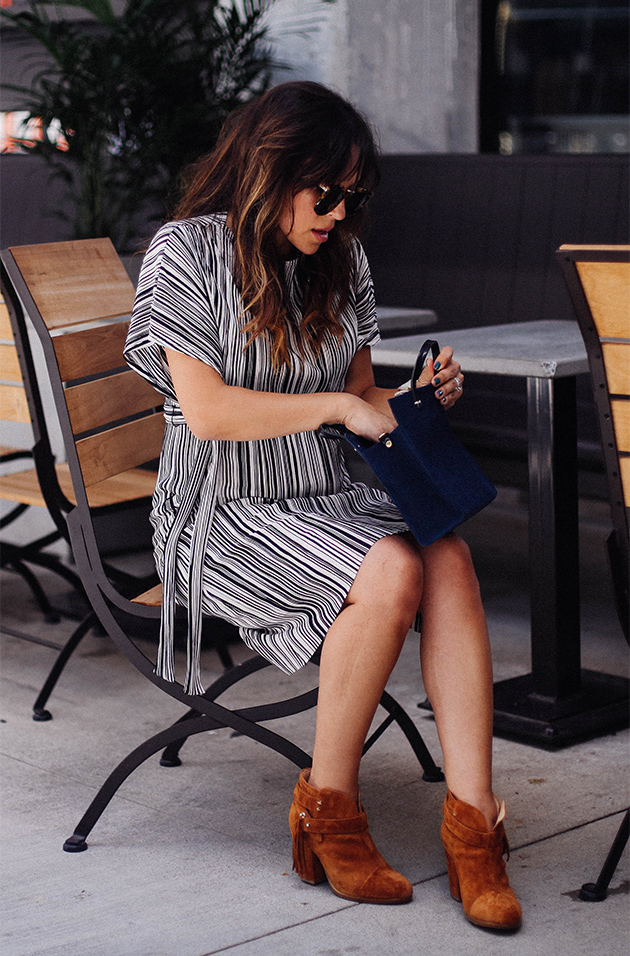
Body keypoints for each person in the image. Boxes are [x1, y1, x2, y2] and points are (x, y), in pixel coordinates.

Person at [124, 80, 521, 931]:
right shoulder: (186, 253)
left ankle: (474, 825)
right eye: (327, 193)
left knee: (445, 554)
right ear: (270, 168)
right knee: (388, 566)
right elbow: (210, 413)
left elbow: (359, 397)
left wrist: (416, 395)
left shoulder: (343, 265)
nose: (340, 214)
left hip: (324, 495)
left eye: (354, 198)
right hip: (219, 510)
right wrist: (344, 408)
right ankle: (327, 811)